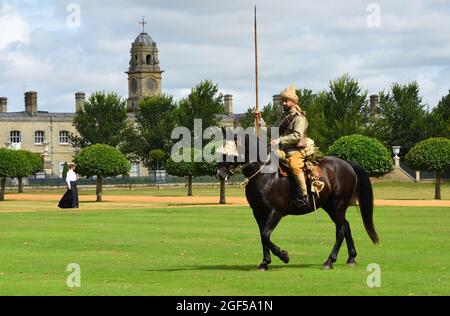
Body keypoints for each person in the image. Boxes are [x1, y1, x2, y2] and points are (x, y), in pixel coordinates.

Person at [256, 84, 310, 206]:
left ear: (293, 102)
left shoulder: (299, 118)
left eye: (286, 101)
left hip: (296, 150)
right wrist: (260, 120)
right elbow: (272, 130)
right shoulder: (284, 117)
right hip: (283, 150)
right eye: (283, 101)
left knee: (294, 165)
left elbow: (297, 135)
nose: (284, 103)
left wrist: (279, 140)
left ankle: (304, 195)